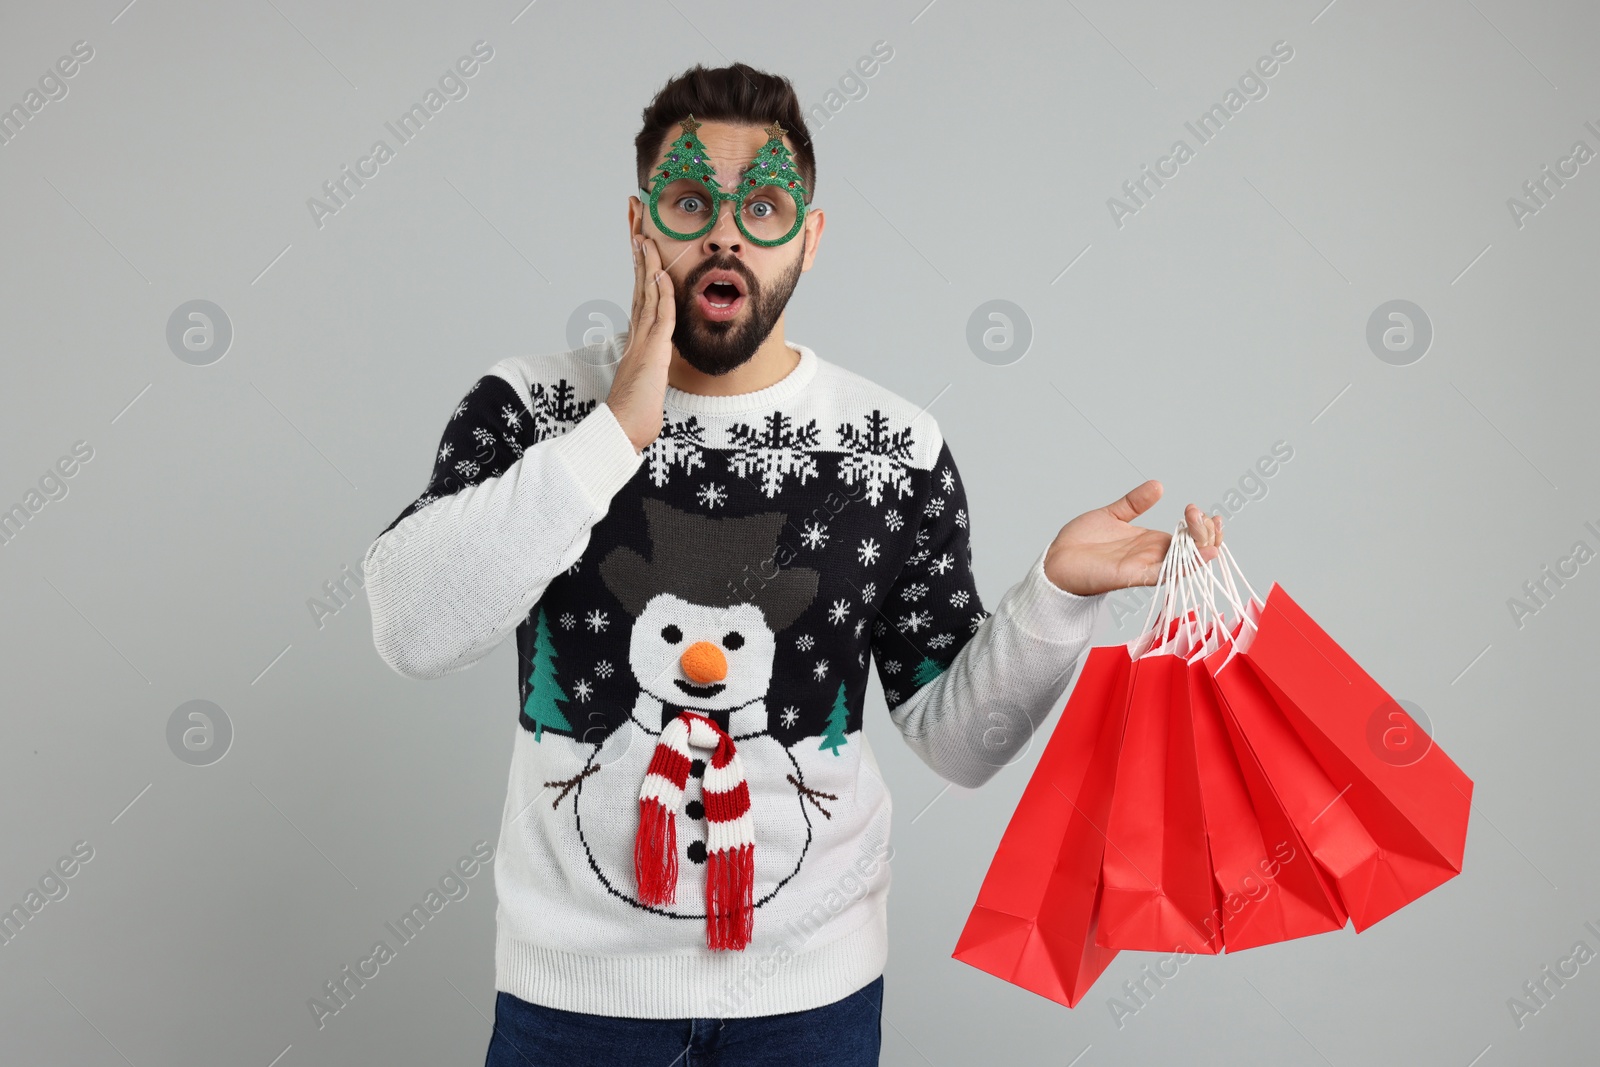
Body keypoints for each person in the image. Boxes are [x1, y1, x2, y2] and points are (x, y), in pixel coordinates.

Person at [362, 62, 1223, 1067]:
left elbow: (958, 743)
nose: (725, 232)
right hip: (573, 1009)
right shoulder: (526, 409)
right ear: (640, 225)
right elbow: (410, 629)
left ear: (808, 240)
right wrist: (614, 431)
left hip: (811, 1008)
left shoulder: (894, 446)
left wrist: (1058, 599)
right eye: (691, 202)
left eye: (763, 206)